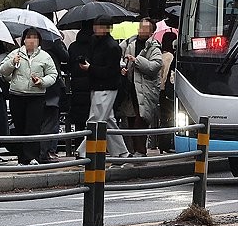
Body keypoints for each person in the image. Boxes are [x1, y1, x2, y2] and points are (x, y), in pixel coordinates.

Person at [0, 28, 58, 165]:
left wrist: (41, 81)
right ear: (23, 39)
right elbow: (3, 70)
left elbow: (53, 75)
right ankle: (21, 157)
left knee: (33, 126)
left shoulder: (45, 56)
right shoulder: (15, 53)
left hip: (36, 96)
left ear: (39, 40)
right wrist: (12, 62)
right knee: (19, 126)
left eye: (35, 38)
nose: (31, 40)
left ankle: (32, 157)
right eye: (28, 37)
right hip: (16, 95)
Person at [76, 16, 127, 158]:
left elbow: (111, 71)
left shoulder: (113, 47)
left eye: (100, 26)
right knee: (107, 120)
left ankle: (83, 151)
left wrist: (90, 68)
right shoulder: (93, 41)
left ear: (107, 28)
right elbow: (91, 59)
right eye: (95, 25)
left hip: (108, 86)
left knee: (96, 119)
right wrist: (86, 63)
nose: (96, 28)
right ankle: (121, 152)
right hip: (96, 84)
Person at [118, 18, 163, 157]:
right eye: (140, 27)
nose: (141, 30)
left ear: (151, 32)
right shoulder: (128, 43)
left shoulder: (154, 47)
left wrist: (136, 60)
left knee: (141, 120)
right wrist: (123, 67)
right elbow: (120, 58)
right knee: (130, 120)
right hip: (130, 87)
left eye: (145, 28)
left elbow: (154, 66)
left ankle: (141, 150)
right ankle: (132, 150)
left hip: (145, 90)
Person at [64, 25, 94, 157]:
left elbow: (69, 64)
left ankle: (78, 147)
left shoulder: (73, 47)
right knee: (93, 119)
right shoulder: (94, 46)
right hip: (92, 84)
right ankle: (92, 148)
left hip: (76, 86)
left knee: (79, 121)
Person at [157, 31, 177, 153]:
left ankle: (161, 144)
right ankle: (166, 143)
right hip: (167, 91)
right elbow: (170, 76)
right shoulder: (170, 56)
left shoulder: (160, 55)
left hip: (159, 91)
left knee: (163, 118)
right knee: (170, 118)